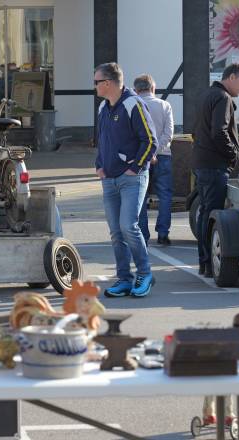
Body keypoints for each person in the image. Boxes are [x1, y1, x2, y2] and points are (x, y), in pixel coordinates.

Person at [94, 62, 158, 298]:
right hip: (109, 179)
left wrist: (135, 168)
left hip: (132, 178)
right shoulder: (103, 107)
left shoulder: (133, 103)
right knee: (116, 232)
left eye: (96, 82)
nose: (95, 86)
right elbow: (101, 139)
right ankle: (124, 278)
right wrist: (99, 165)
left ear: (108, 83)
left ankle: (145, 273)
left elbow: (150, 141)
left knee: (128, 226)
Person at [192, 63, 239, 277]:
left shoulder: (207, 94)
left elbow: (199, 130)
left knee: (205, 213)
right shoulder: (223, 98)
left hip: (203, 163)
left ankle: (205, 263)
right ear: (231, 77)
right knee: (212, 215)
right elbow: (219, 131)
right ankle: (209, 262)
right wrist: (233, 152)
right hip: (214, 166)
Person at [134, 74, 175, 246]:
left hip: (140, 158)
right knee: (165, 196)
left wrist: (148, 153)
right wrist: (155, 152)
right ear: (153, 88)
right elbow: (169, 134)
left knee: (140, 196)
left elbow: (131, 135)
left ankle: (143, 234)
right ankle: (163, 234)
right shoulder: (165, 105)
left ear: (136, 89)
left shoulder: (134, 105)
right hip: (163, 156)